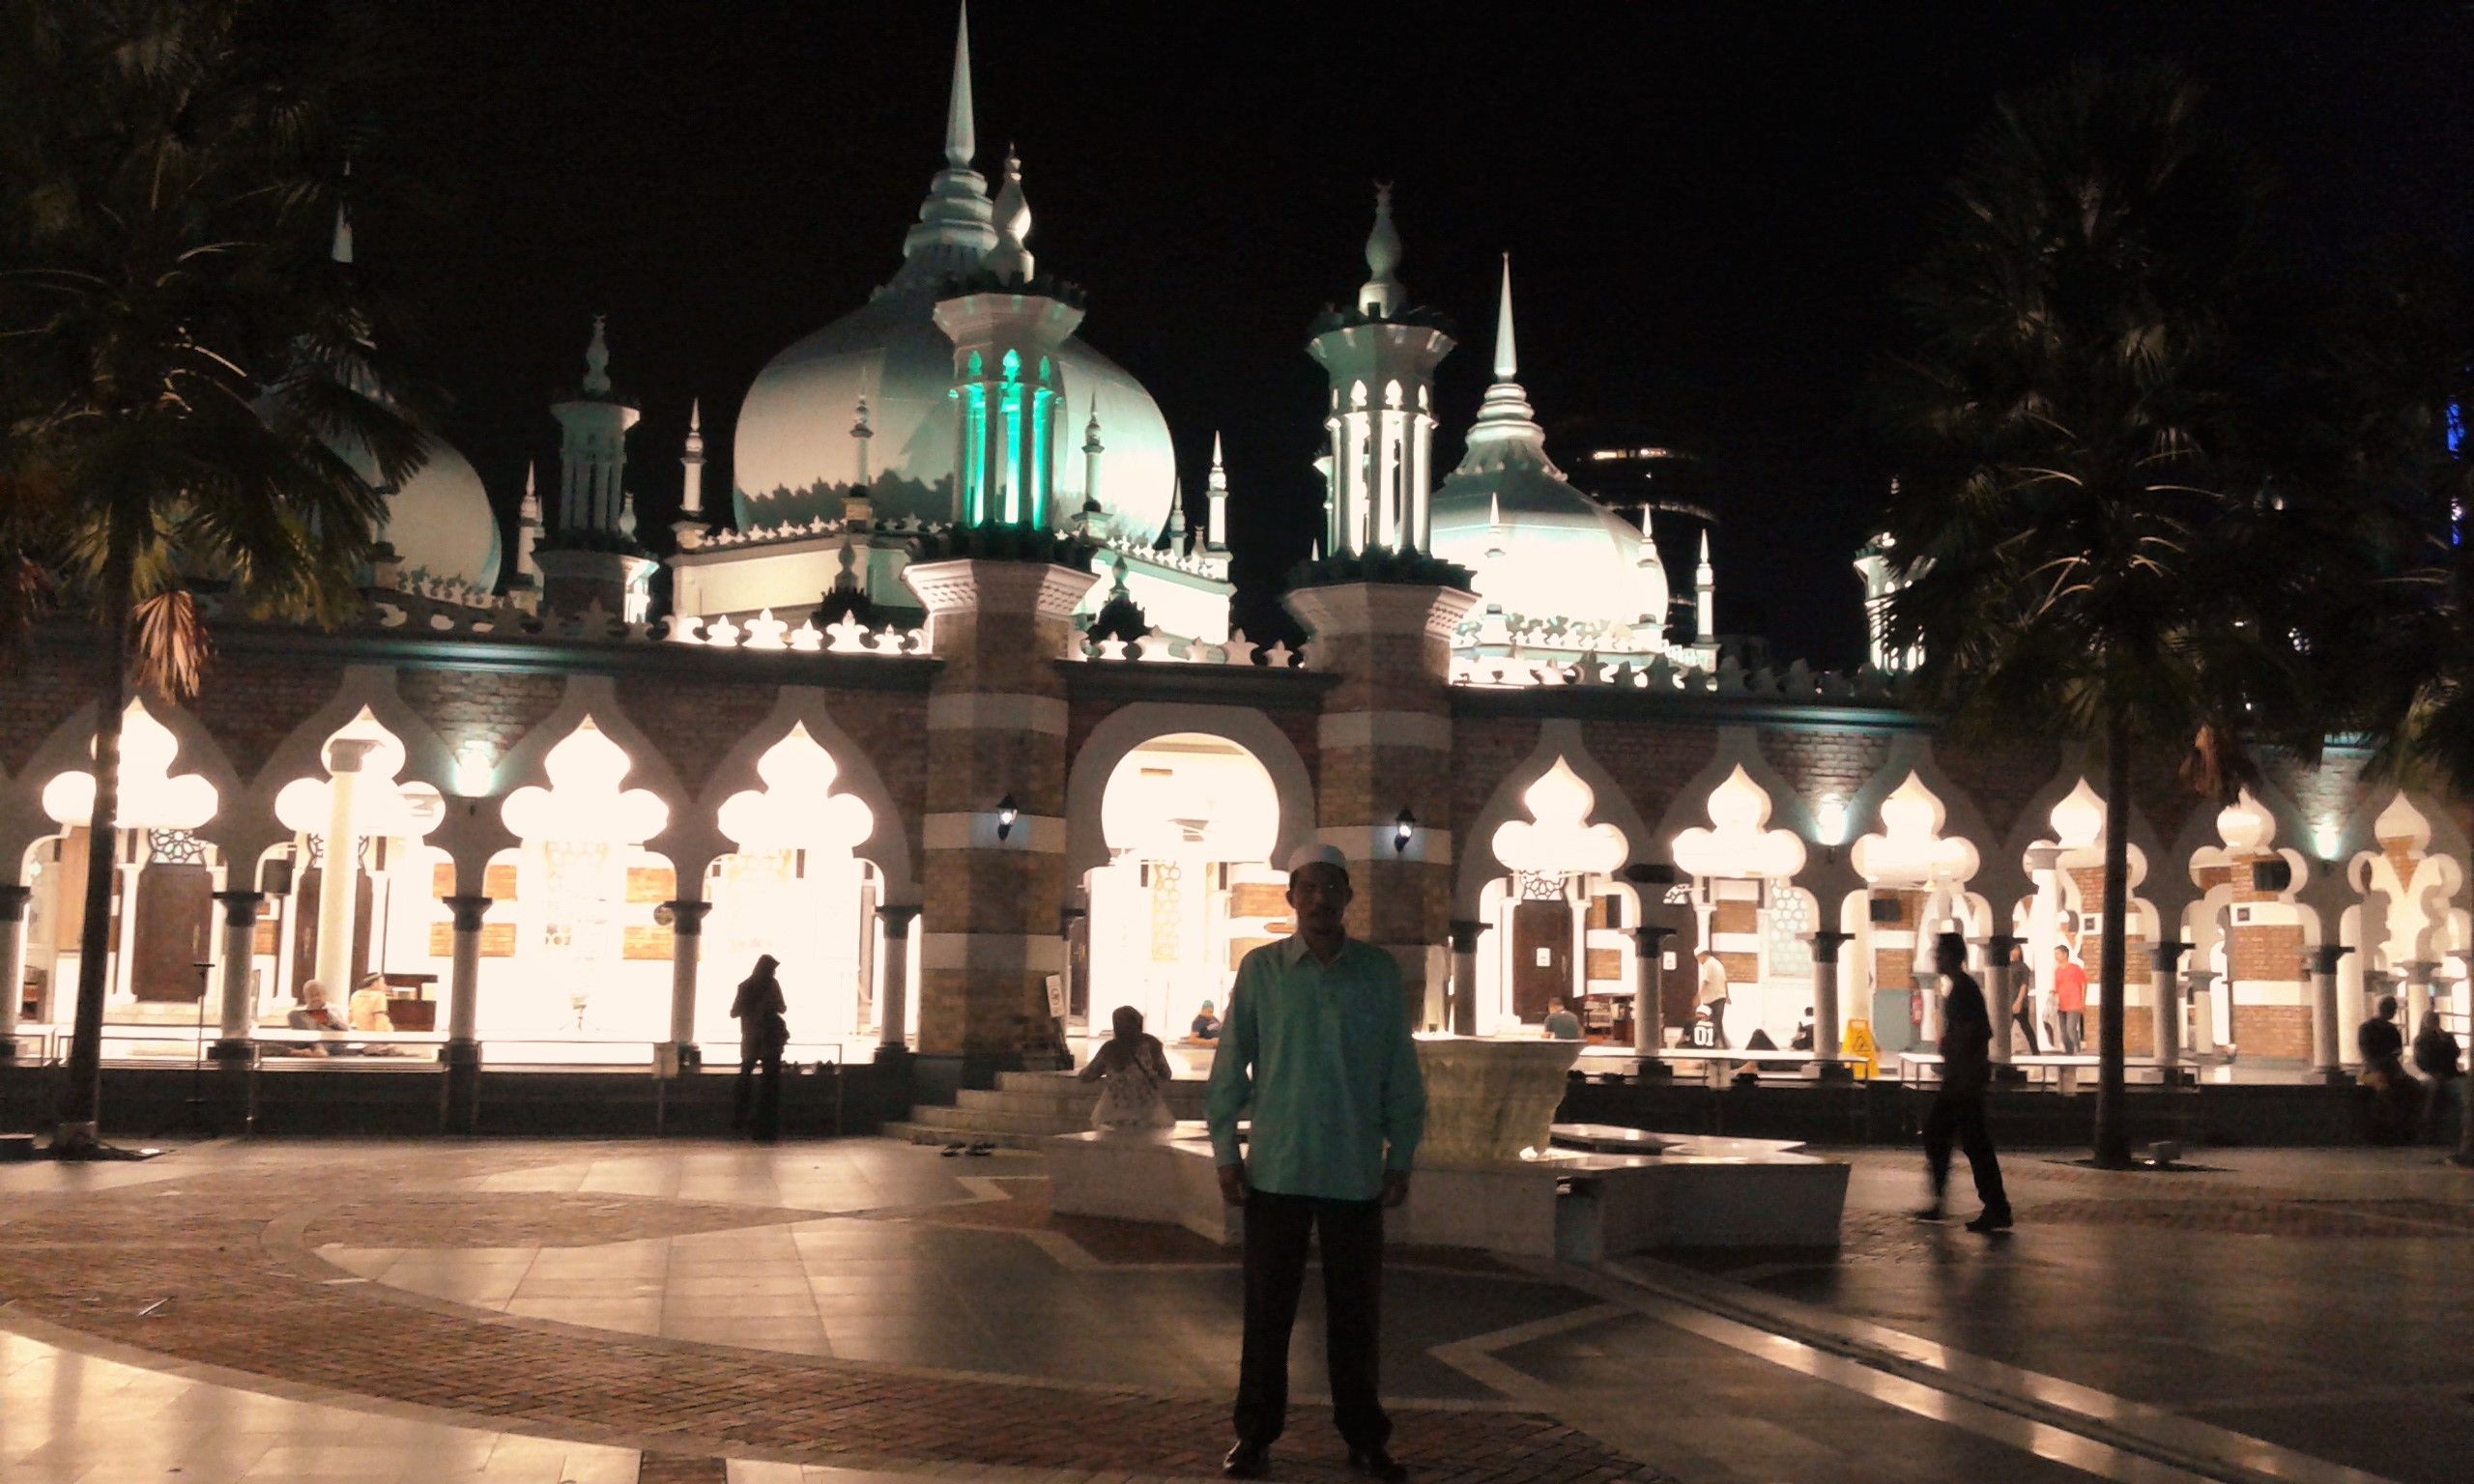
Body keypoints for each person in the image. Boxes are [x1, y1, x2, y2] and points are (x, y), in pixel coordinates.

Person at [1207, 843, 1424, 1483]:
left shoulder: (1378, 973)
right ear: (1291, 898)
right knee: (1267, 1314)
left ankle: (1364, 1436)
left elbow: (1398, 1071)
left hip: (1354, 1172)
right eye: (1309, 889)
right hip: (1277, 1169)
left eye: (1333, 888)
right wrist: (1226, 1152)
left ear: (1349, 897)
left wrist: (1400, 1155)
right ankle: (1255, 1437)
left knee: (1356, 1318)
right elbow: (1230, 1067)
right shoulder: (1263, 971)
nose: (1322, 900)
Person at [1917, 933, 2011, 1232]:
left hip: (1964, 1080)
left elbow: (1975, 1032)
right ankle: (1978, 1204)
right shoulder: (1960, 989)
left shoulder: (1964, 991)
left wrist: (1953, 1048)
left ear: (1952, 956)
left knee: (1963, 1139)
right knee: (1951, 1136)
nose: (1935, 958)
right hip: (1962, 1078)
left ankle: (1994, 1206)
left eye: (1939, 953)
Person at [1080, 1004, 1176, 1133]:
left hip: (1115, 1110)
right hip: (1149, 1110)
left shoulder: (1110, 1049)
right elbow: (1166, 1073)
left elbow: (1088, 1075)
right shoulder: (1152, 1044)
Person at [731, 955, 789, 1142]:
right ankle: (765, 1126)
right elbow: (782, 1008)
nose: (773, 973)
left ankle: (741, 1121)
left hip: (752, 1039)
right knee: (770, 1084)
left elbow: (734, 1012)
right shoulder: (771, 985)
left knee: (746, 1080)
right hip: (769, 1040)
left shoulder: (745, 986)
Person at [2356, 994, 2422, 1143]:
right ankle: (2386, 1133)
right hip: (2372, 1073)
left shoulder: (2377, 1029)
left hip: (2387, 1071)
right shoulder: (2370, 1029)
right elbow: (2370, 1056)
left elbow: (2393, 1052)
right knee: (2385, 1092)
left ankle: (2404, 1130)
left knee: (2414, 1088)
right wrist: (2385, 1065)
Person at [2412, 1011, 2462, 1142]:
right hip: (2432, 1073)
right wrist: (2434, 1072)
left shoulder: (2446, 1037)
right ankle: (2427, 1128)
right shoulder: (2421, 1040)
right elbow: (2421, 1061)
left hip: (2449, 1072)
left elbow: (2456, 1052)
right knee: (2435, 1089)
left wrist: (2446, 1041)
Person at [2051, 945, 2087, 1055]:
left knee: (2070, 1028)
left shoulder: (2075, 968)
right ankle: (2069, 1052)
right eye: (2055, 954)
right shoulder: (2057, 970)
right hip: (2061, 1004)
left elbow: (2083, 983)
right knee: (2063, 1032)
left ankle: (2077, 1049)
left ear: (2065, 954)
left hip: (2074, 1003)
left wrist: (2083, 1001)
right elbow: (2057, 988)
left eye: (2058, 953)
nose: (2056, 956)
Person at [1694, 947, 1732, 1049]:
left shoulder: (1708, 964)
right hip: (1721, 996)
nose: (1699, 961)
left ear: (1702, 955)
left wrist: (1698, 995)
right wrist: (1727, 996)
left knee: (1710, 1022)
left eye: (1698, 958)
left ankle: (1712, 1044)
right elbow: (1725, 980)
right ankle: (1722, 1044)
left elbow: (1705, 981)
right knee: (1717, 1021)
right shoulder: (1718, 963)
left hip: (1711, 998)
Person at [2007, 945, 2041, 1056]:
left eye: (2016, 949)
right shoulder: (2006, 966)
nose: (2014, 952)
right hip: (2007, 1002)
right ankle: (2005, 1051)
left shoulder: (2022, 967)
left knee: (2026, 1027)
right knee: (2006, 1029)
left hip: (2020, 1002)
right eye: (2012, 949)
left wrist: (2019, 1001)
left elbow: (2024, 985)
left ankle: (2036, 1052)